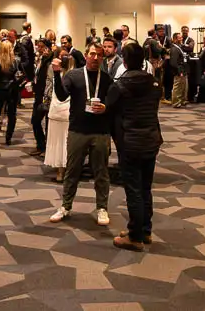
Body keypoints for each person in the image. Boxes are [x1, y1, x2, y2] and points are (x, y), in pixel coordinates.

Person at [49, 43, 114, 227]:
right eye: (92, 54)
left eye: (99, 55)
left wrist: (106, 108)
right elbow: (61, 96)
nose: (95, 58)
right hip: (78, 130)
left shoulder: (107, 79)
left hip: (100, 132)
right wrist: (56, 73)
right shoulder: (74, 75)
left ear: (102, 58)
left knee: (101, 172)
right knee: (72, 170)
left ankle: (102, 208)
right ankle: (65, 206)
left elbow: (114, 103)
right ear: (86, 56)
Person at [107, 43, 162, 251]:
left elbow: (109, 109)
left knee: (133, 190)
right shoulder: (155, 84)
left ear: (126, 61)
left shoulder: (120, 85)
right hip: (151, 139)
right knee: (146, 188)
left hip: (130, 141)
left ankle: (135, 236)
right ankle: (144, 230)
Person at [45, 45, 73, 183]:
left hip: (61, 111)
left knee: (61, 142)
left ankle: (61, 171)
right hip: (60, 111)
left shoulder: (58, 73)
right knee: (63, 142)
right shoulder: (71, 74)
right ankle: (63, 170)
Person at [0, 40, 23, 145]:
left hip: (0, 90)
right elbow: (22, 75)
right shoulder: (16, 61)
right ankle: (8, 138)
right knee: (12, 115)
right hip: (12, 90)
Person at [29, 38, 55, 157]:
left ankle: (46, 148)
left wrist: (47, 57)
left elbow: (49, 79)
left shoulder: (50, 60)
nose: (38, 49)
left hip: (47, 96)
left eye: (41, 46)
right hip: (38, 95)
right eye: (37, 46)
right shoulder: (40, 59)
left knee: (48, 124)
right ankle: (41, 145)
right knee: (35, 121)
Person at [169, 33, 189, 108]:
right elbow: (173, 63)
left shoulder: (179, 47)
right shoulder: (174, 49)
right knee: (177, 87)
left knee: (183, 86)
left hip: (183, 70)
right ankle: (176, 102)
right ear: (174, 39)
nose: (181, 39)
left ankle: (182, 100)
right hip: (178, 71)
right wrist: (179, 71)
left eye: (181, 38)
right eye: (179, 38)